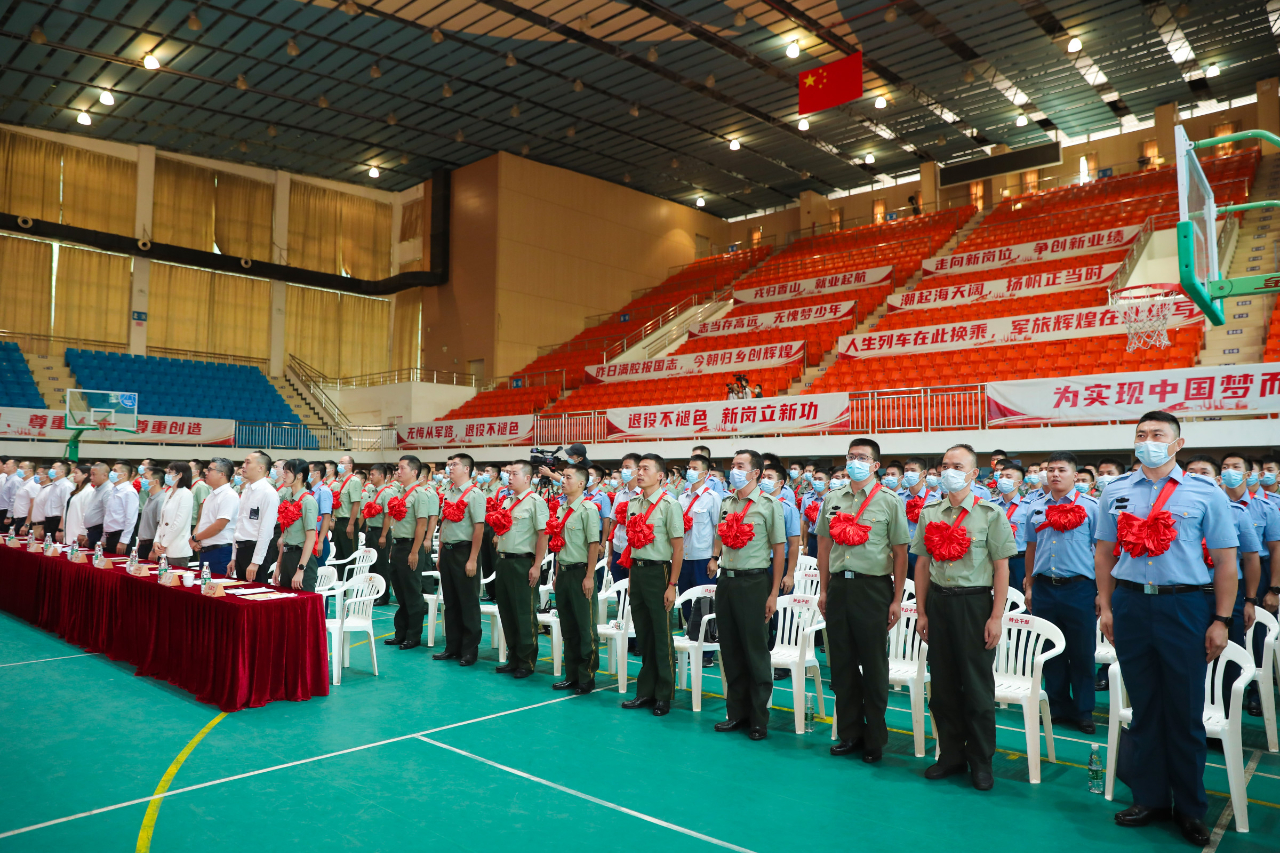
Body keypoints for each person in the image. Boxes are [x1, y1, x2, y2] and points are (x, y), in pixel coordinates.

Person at [1095, 411, 1238, 846]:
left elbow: (1226, 560)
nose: (1148, 441)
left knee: (1184, 710)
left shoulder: (1205, 492)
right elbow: (1104, 553)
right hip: (1131, 604)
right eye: (1141, 434)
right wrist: (1106, 606)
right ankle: (1150, 798)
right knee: (1144, 707)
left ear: (1178, 443)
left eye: (1158, 434)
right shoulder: (1116, 491)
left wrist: (1222, 619)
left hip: (1185, 605)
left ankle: (1190, 808)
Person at [912, 443, 1015, 791]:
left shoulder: (990, 514)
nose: (949, 472)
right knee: (942, 687)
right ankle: (951, 755)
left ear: (973, 473)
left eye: (957, 466)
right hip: (939, 603)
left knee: (976, 688)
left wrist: (996, 616)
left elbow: (1001, 568)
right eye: (945, 465)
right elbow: (922, 565)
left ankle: (981, 760)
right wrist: (922, 611)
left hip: (974, 605)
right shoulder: (930, 512)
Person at [817, 437, 909, 761]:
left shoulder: (889, 501)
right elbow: (824, 548)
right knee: (841, 666)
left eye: (862, 457)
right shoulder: (832, 499)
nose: (855, 462)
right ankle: (850, 733)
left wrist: (896, 598)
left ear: (875, 465)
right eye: (851, 456)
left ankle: (874, 739)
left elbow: (900, 553)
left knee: (873, 666)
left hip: (873, 589)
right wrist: (824, 590)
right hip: (840, 588)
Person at [1022, 451, 1100, 735]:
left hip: (1080, 588)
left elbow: (1103, 552)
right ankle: (1056, 706)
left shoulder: (1091, 507)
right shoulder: (1035, 507)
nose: (1055, 474)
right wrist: (1029, 585)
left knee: (1082, 652)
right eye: (1051, 470)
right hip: (1045, 587)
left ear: (1075, 475)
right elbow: (1031, 549)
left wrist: (1101, 592)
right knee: (1049, 650)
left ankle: (1083, 711)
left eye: (1062, 470)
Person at [708, 449, 784, 739]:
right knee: (731, 650)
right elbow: (721, 537)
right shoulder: (727, 502)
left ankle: (758, 718)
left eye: (740, 466)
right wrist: (714, 558)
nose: (734, 470)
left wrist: (773, 593)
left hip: (754, 582)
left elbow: (779, 551)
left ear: (755, 473)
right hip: (727, 581)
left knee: (755, 651)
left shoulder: (769, 505)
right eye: (732, 465)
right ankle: (736, 713)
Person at [1186, 454, 1262, 721]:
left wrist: (1250, 600)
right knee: (1190, 659)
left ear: (1218, 480)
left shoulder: (1236, 512)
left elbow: (1251, 559)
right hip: (1189, 595)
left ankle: (1226, 719)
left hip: (1227, 596)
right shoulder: (1176, 513)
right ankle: (1193, 718)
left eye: (1204, 472)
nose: (1197, 477)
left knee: (1227, 659)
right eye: (1191, 472)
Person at [616, 453, 684, 714]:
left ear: (660, 476)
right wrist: (632, 578)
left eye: (646, 469)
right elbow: (633, 545)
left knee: (661, 635)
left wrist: (672, 584)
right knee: (644, 634)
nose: (640, 473)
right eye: (639, 469)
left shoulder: (669, 505)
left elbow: (678, 549)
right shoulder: (634, 503)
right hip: (638, 572)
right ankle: (645, 691)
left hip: (660, 572)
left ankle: (663, 694)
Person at [1220, 452, 1280, 716]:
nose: (1229, 471)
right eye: (1225, 467)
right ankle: (1223, 691)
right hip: (1223, 572)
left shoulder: (1266, 507)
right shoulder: (1216, 505)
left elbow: (1276, 550)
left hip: (1258, 571)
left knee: (1255, 634)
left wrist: (1274, 588)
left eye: (1235, 467)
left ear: (1247, 474)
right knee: (1229, 631)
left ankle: (1255, 692)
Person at [488, 460, 547, 677]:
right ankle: (513, 658)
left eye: (514, 474)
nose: (509, 477)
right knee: (507, 611)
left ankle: (526, 661)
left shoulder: (536, 502)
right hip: (504, 561)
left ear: (527, 478)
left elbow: (543, 535)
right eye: (508, 473)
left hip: (523, 562)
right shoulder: (507, 501)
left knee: (524, 612)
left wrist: (537, 565)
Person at [548, 464, 602, 694]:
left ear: (581, 483)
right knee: (568, 627)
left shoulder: (588, 509)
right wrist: (557, 573)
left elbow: (593, 545)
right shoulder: (561, 509)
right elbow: (558, 545)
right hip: (564, 572)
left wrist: (590, 575)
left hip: (581, 573)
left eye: (568, 477)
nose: (563, 481)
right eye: (563, 477)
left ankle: (586, 676)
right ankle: (571, 675)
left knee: (585, 628)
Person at [435, 453, 487, 666]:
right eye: (449, 464)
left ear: (467, 469)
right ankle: (452, 647)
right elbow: (444, 525)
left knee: (468, 602)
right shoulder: (448, 492)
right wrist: (440, 554)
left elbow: (479, 528)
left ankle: (469, 650)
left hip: (465, 551)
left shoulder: (475, 494)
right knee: (451, 602)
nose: (450, 468)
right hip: (448, 551)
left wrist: (473, 559)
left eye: (454, 464)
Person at [382, 455, 438, 651]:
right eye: (397, 468)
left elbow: (422, 524)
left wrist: (415, 551)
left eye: (402, 468)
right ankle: (401, 633)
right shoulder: (400, 492)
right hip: (398, 546)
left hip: (411, 547)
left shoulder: (420, 494)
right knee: (400, 592)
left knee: (412, 593)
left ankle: (413, 636)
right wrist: (392, 547)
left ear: (414, 472)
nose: (398, 471)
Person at [677, 454, 720, 667]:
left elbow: (718, 529)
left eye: (695, 468)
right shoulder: (682, 498)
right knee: (686, 604)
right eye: (689, 467)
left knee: (704, 605)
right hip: (683, 558)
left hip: (703, 559)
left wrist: (715, 558)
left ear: (705, 473)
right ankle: (692, 643)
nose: (690, 471)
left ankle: (707, 651)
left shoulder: (712, 497)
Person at [231, 451, 279, 583]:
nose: (243, 466)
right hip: (241, 549)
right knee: (240, 591)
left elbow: (266, 531)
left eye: (248, 462)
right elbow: (239, 525)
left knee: (255, 592)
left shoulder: (268, 493)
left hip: (255, 550)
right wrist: (234, 557)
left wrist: (255, 562)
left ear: (260, 468)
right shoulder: (247, 490)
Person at [274, 458, 320, 591]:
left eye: (287, 472)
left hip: (301, 557)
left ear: (299, 475)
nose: (283, 476)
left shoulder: (307, 501)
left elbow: (310, 538)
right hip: (287, 556)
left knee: (302, 601)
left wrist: (300, 569)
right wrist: (278, 566)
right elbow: (284, 536)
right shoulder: (288, 499)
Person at [190, 458, 238, 576]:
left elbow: (219, 526)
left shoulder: (229, 495)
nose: (206, 472)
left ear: (222, 474)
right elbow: (203, 520)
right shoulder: (212, 494)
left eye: (210, 470)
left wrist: (196, 538)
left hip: (220, 551)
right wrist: (195, 538)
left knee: (218, 585)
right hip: (206, 550)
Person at [605, 453, 643, 585]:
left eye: (627, 467)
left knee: (634, 590)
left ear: (638, 470)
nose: (623, 471)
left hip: (636, 553)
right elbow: (613, 525)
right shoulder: (619, 495)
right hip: (618, 550)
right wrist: (610, 555)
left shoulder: (644, 495)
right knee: (619, 589)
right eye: (623, 468)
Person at [362, 464, 395, 605]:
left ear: (382, 475)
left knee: (381, 565)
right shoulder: (373, 491)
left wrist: (383, 535)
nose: (370, 477)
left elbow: (388, 516)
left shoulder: (387, 493)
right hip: (371, 531)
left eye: (373, 474)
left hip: (380, 532)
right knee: (372, 565)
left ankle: (383, 595)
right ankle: (374, 593)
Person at [992, 464, 1028, 592]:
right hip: (995, 559)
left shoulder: (1028, 506)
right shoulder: (991, 505)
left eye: (1008, 477)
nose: (1003, 480)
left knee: (1018, 597)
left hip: (1019, 560)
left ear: (1019, 482)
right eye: (1001, 476)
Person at [899, 456, 935, 579]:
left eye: (913, 470)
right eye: (906, 470)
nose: (909, 474)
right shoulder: (899, 498)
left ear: (923, 473)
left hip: (923, 551)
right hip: (902, 549)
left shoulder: (934, 499)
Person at [153, 463, 195, 567]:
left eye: (170, 472)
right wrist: (157, 541)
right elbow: (162, 522)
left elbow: (179, 523)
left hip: (178, 548)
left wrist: (164, 543)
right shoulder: (169, 494)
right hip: (163, 548)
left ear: (180, 475)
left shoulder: (186, 494)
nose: (167, 475)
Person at [330, 454, 363, 562]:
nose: (339, 465)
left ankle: (351, 573)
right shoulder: (340, 482)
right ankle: (340, 573)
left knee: (349, 555)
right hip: (339, 521)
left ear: (350, 466)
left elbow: (356, 504)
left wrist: (351, 524)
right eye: (339, 463)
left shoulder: (354, 481)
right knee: (339, 556)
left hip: (348, 521)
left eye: (342, 463)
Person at [102, 461, 138, 554]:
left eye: (115, 470)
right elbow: (109, 515)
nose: (111, 473)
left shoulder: (129, 492)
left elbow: (131, 519)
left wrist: (124, 541)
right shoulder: (114, 490)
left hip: (120, 535)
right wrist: (104, 537)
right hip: (110, 535)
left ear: (124, 474)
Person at [134, 466, 167, 559]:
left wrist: (154, 550)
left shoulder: (161, 499)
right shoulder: (150, 498)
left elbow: (161, 526)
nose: (142, 481)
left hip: (152, 545)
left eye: (146, 478)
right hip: (143, 544)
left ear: (156, 481)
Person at [60, 464, 93, 546]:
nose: (74, 475)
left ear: (85, 475)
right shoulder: (77, 491)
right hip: (70, 530)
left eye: (76, 473)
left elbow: (86, 514)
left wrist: (82, 532)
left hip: (78, 532)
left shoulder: (89, 491)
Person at [801, 468, 829, 557]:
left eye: (820, 479)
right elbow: (806, 523)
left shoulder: (832, 498)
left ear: (828, 482)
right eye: (815, 479)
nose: (817, 481)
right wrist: (805, 546)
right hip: (813, 538)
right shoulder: (807, 498)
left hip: (828, 539)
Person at [42, 461, 72, 541]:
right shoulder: (53, 485)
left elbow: (66, 508)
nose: (51, 471)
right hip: (48, 521)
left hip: (57, 521)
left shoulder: (66, 486)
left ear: (62, 472)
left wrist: (61, 528)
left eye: (53, 468)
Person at [189, 460, 211, 529]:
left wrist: (198, 526)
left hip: (194, 524)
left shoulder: (201, 486)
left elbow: (203, 507)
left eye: (189, 468)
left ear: (197, 471)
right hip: (187, 522)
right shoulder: (189, 485)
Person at [0, 457, 17, 533]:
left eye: (7, 464)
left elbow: (13, 499)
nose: (4, 466)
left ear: (14, 468)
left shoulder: (15, 480)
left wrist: (9, 515)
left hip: (7, 511)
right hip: (3, 510)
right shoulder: (8, 479)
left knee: (7, 534)